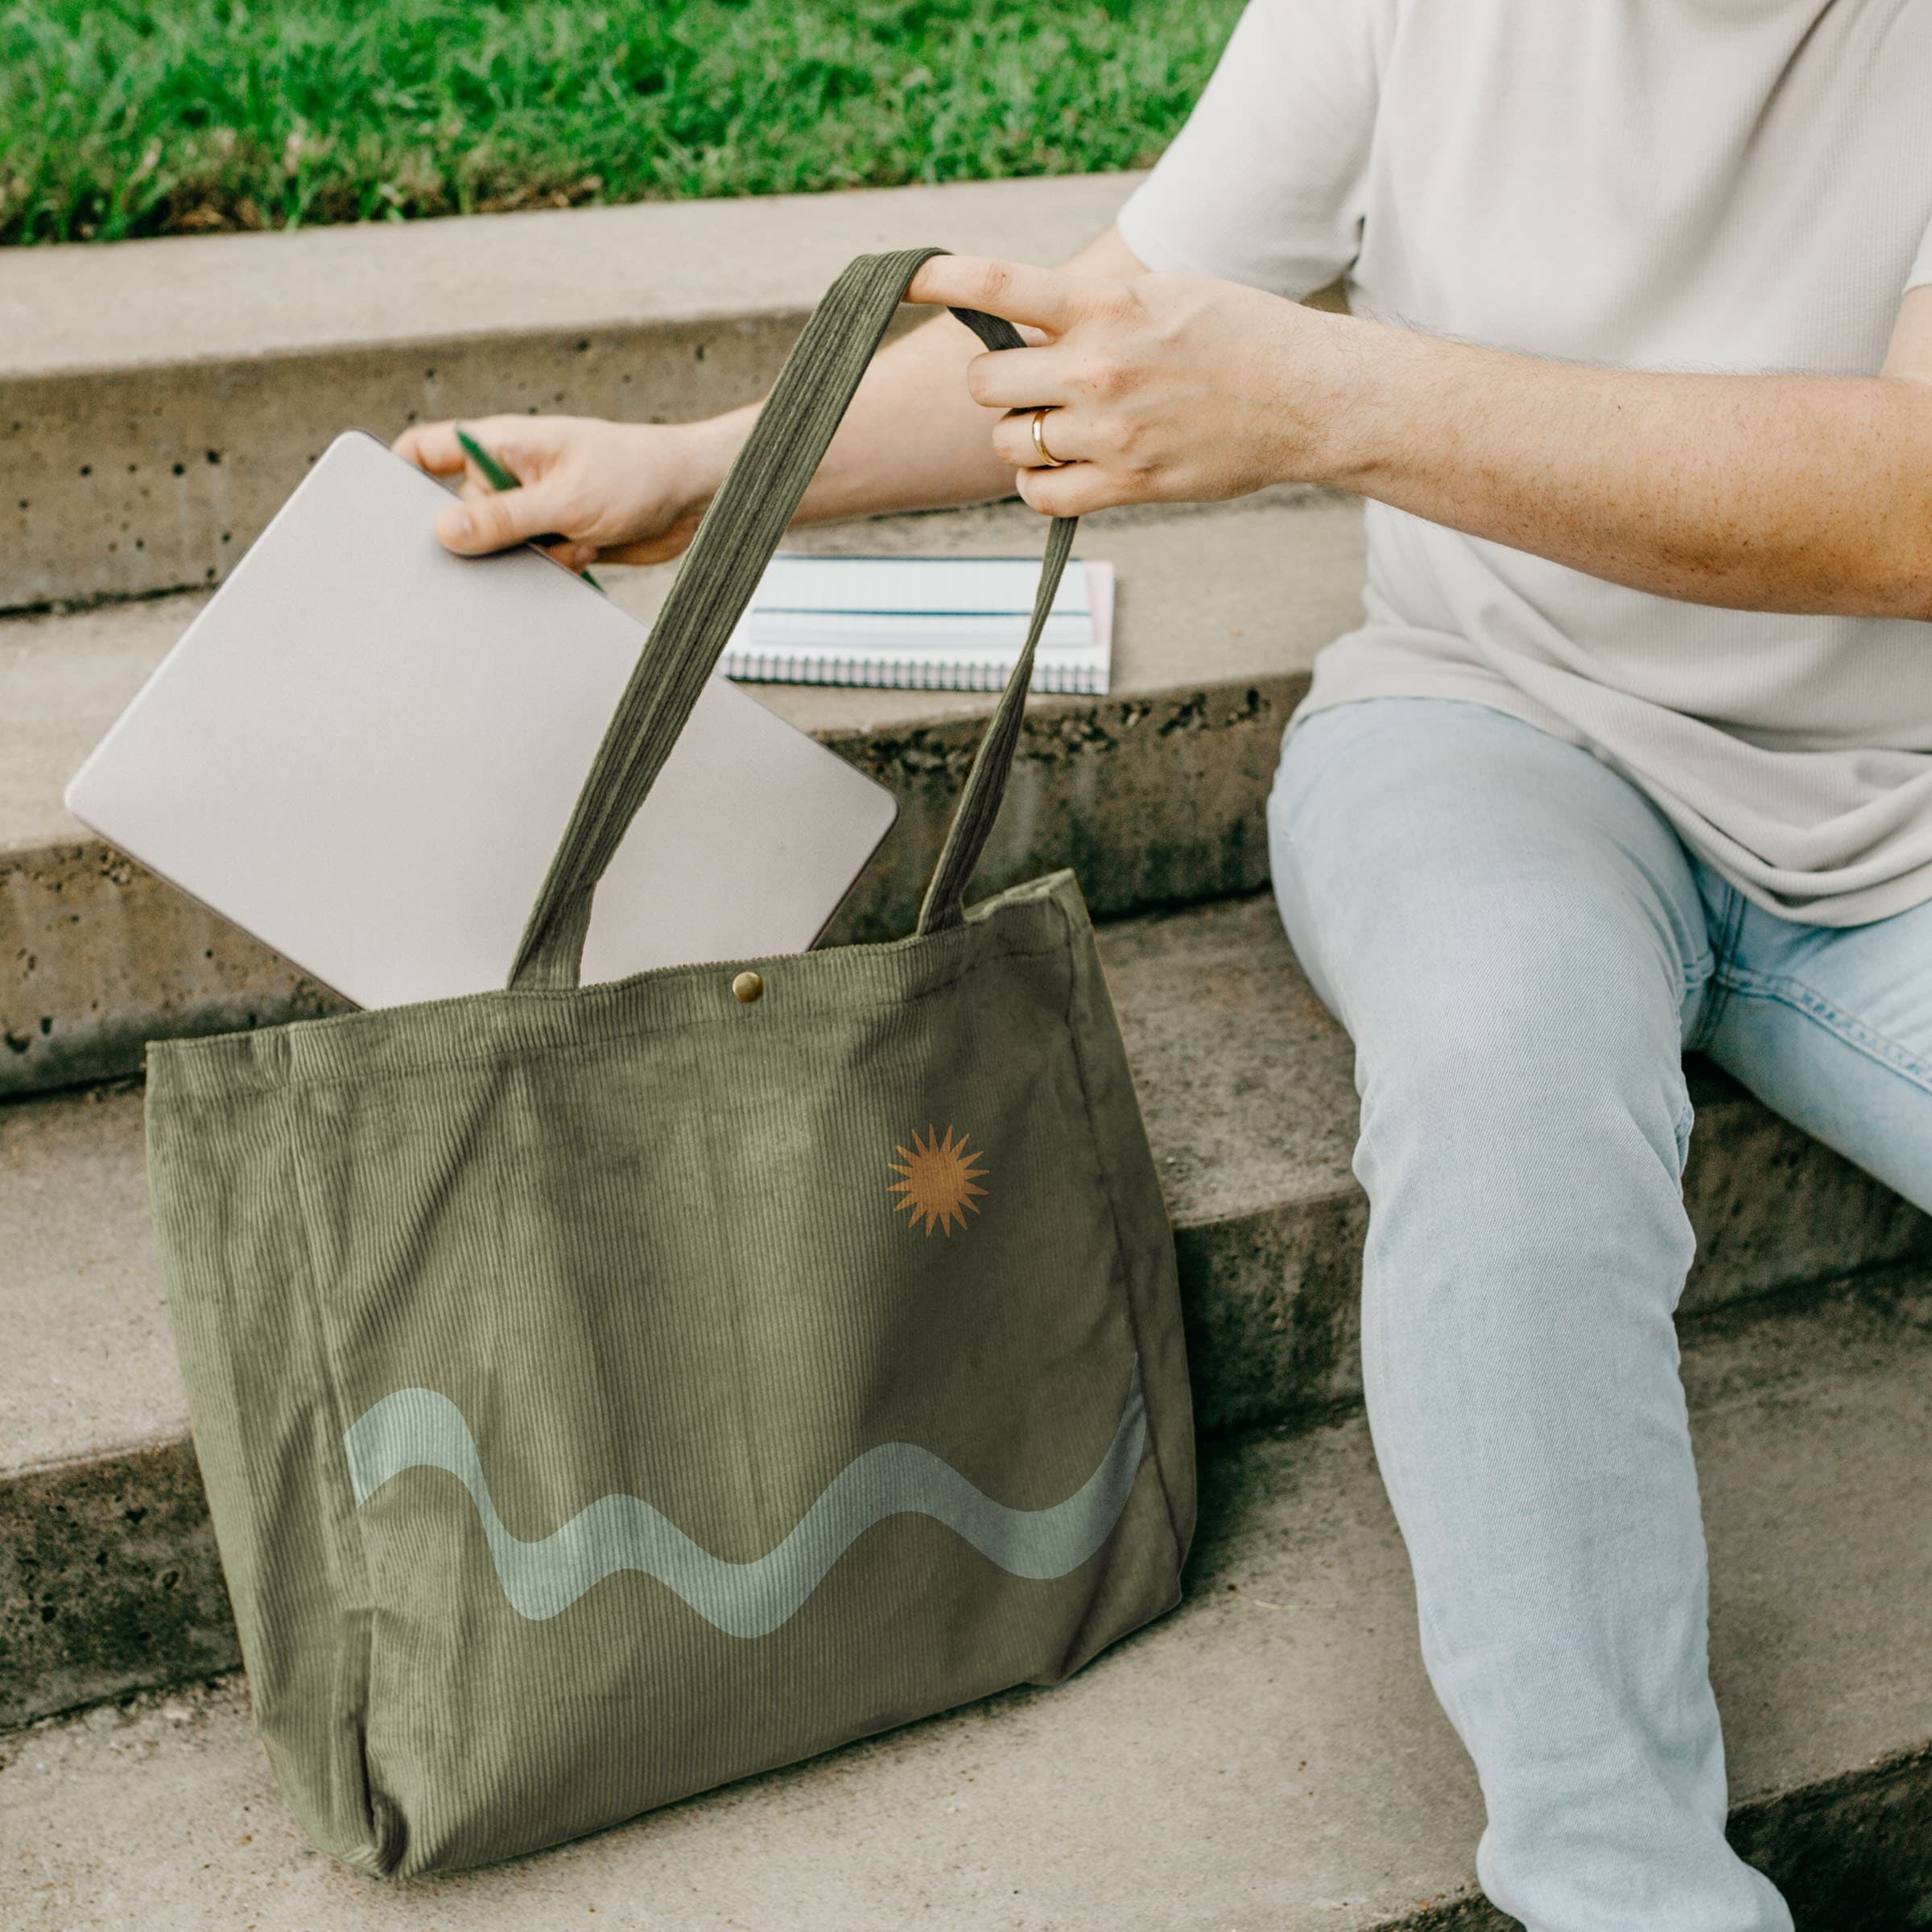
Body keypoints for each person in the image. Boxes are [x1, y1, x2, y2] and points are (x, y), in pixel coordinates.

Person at [398, 2, 1932, 1922]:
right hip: (1497, 738)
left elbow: (1913, 504)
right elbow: (1116, 321)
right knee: (1503, 1073)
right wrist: (698, 470)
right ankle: (1628, 1887)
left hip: (1905, 815)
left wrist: (1324, 400)